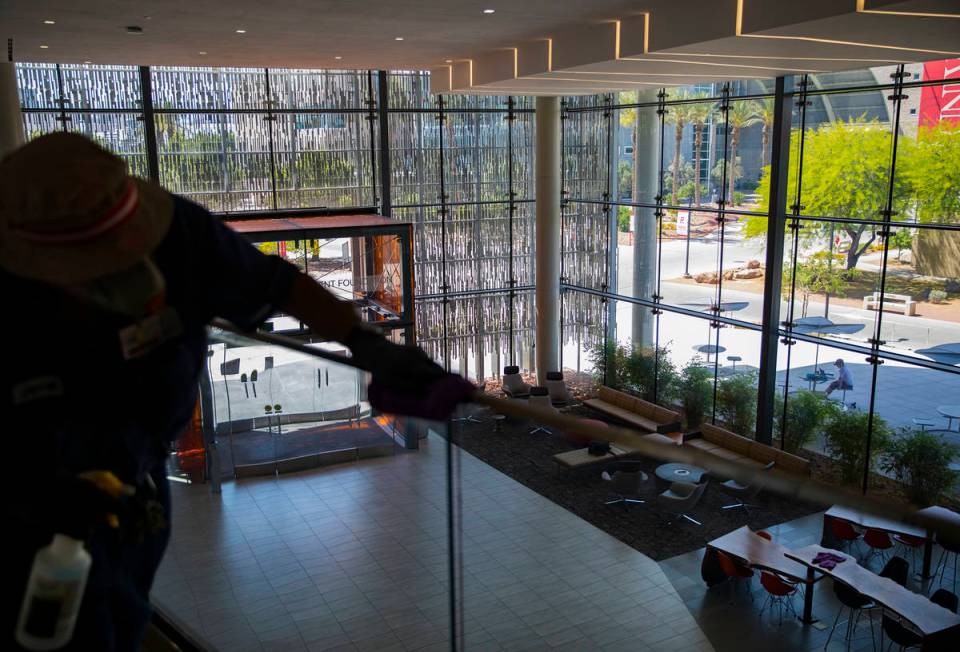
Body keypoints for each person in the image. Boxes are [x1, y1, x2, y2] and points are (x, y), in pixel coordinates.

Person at [0, 133, 474, 650]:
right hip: (31, 497)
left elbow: (275, 282)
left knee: (123, 610)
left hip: (137, 477)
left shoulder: (177, 232)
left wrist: (365, 344)